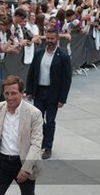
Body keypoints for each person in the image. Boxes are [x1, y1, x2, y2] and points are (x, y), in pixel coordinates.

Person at [26, 28, 72, 159]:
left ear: (57, 39)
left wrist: (62, 98)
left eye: (52, 38)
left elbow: (66, 79)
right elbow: (32, 72)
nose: (50, 41)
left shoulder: (63, 56)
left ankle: (47, 147)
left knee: (50, 120)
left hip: (53, 93)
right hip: (39, 91)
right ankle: (37, 143)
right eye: (48, 38)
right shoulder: (39, 53)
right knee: (38, 120)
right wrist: (29, 90)